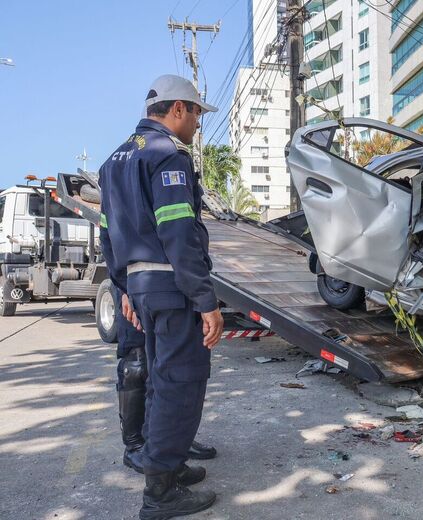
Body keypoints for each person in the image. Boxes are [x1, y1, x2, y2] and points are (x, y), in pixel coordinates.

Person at [99, 74, 224, 519]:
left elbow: (108, 236)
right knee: (180, 384)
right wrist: (206, 300)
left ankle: (167, 467)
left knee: (158, 380)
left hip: (142, 289)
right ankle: (160, 493)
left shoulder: (114, 160)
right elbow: (178, 232)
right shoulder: (168, 155)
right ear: (177, 110)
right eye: (195, 114)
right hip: (172, 289)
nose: (196, 124)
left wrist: (123, 286)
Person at [114, 285, 217, 475]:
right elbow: (114, 253)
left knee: (171, 365)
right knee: (137, 362)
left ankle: (173, 441)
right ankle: (135, 445)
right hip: (135, 281)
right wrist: (124, 289)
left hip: (170, 288)